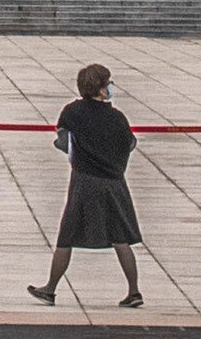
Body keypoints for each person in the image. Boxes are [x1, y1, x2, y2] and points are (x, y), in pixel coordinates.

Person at [27, 65, 147, 308]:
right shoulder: (117, 117)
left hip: (84, 181)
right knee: (120, 237)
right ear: (102, 88)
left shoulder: (73, 112)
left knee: (67, 235)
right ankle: (134, 291)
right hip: (114, 182)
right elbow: (130, 144)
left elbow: (62, 141)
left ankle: (50, 289)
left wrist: (82, 155)